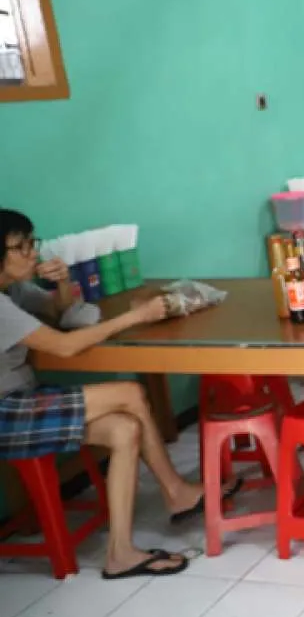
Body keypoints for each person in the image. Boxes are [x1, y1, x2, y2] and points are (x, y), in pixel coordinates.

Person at [0, 209, 238, 579]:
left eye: (33, 242)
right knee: (130, 392)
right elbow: (64, 346)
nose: (32, 252)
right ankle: (175, 492)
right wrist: (134, 317)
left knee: (124, 428)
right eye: (21, 247)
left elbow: (63, 313)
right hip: (8, 411)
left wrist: (63, 283)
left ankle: (120, 553)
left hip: (25, 400)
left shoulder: (13, 290)